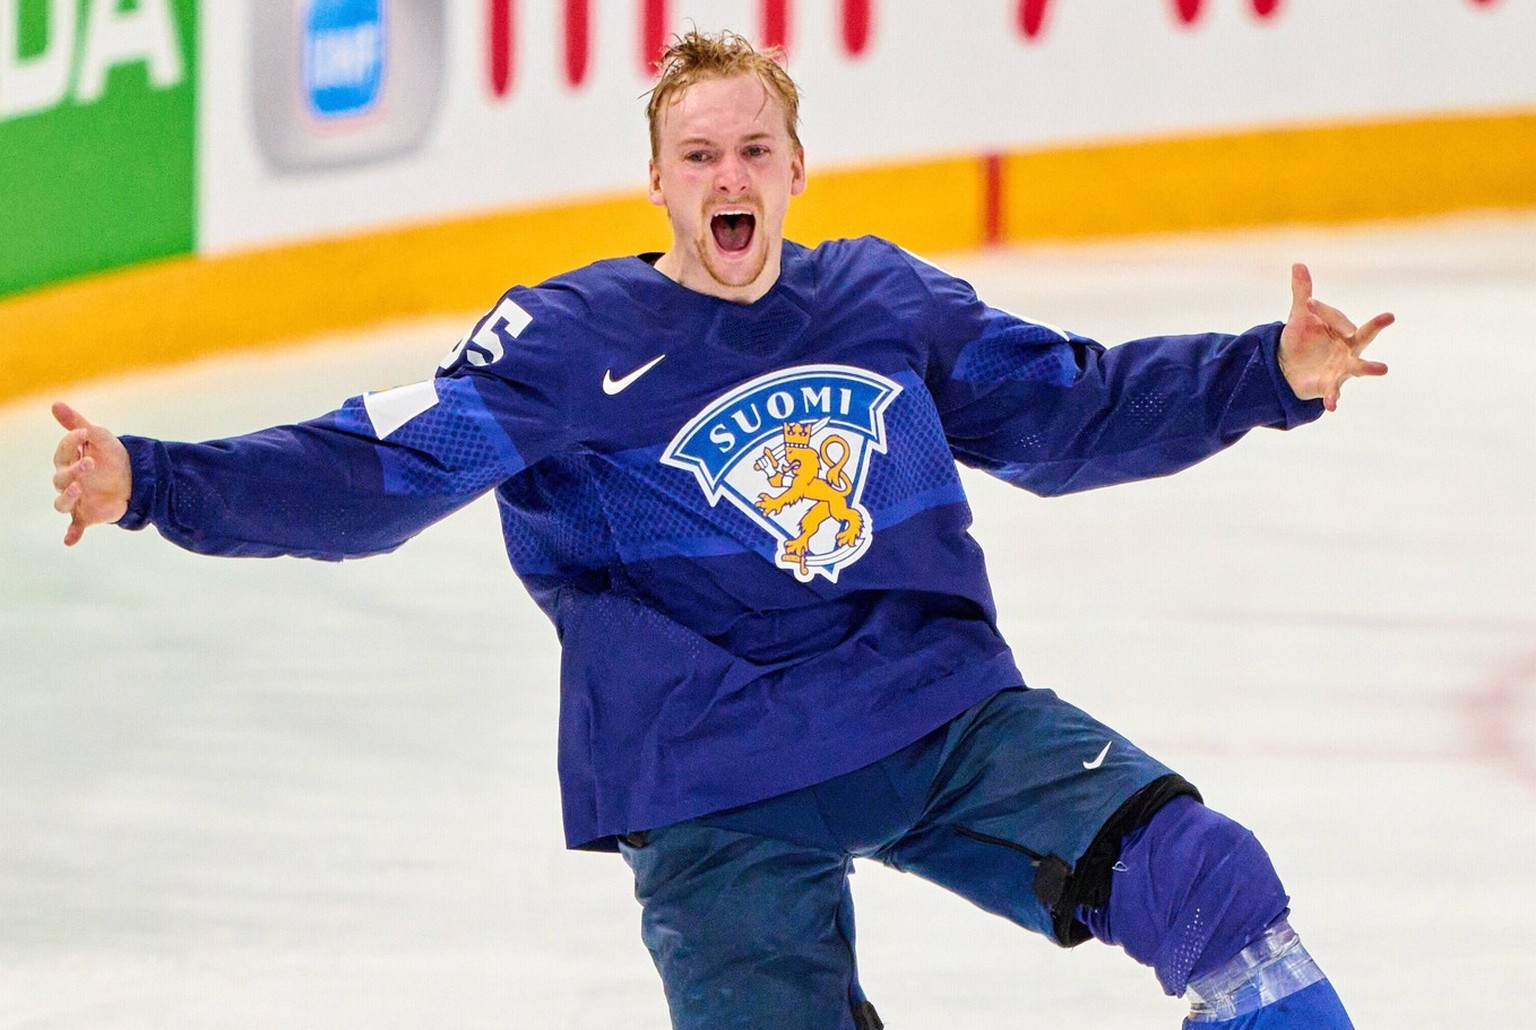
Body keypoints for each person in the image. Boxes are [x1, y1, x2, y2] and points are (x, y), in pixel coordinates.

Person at [52, 29, 1392, 1030]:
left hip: (928, 711)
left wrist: (1262, 375)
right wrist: (156, 481)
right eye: (700, 155)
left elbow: (1070, 412)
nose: (729, 176)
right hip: (711, 769)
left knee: (1207, 876)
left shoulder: (882, 301)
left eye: (755, 150)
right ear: (659, 181)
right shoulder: (568, 343)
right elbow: (376, 470)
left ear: (796, 168)